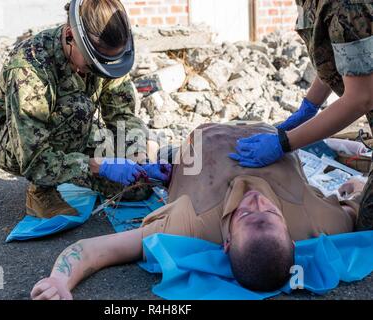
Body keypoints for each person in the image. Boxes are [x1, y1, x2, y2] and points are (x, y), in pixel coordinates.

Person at [30, 122, 365, 300]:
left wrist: (60, 280)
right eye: (270, 214)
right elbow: (357, 203)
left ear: (227, 243)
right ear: (292, 240)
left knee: (135, 155)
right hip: (272, 131)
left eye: (247, 217)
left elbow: (95, 251)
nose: (256, 202)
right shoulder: (315, 222)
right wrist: (356, 191)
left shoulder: (190, 227)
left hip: (203, 139)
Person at [0, 0, 170, 219]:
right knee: (78, 108)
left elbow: (121, 114)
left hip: (78, 135)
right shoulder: (29, 67)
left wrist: (139, 157)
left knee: (138, 189)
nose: (97, 72)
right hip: (14, 144)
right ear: (70, 35)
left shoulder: (105, 55)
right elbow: (32, 156)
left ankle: (80, 167)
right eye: (91, 65)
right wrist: (101, 166)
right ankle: (41, 191)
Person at [229, 0, 372, 230]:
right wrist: (309, 107)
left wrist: (285, 143)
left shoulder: (347, 5)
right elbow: (341, 59)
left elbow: (360, 98)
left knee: (366, 230)